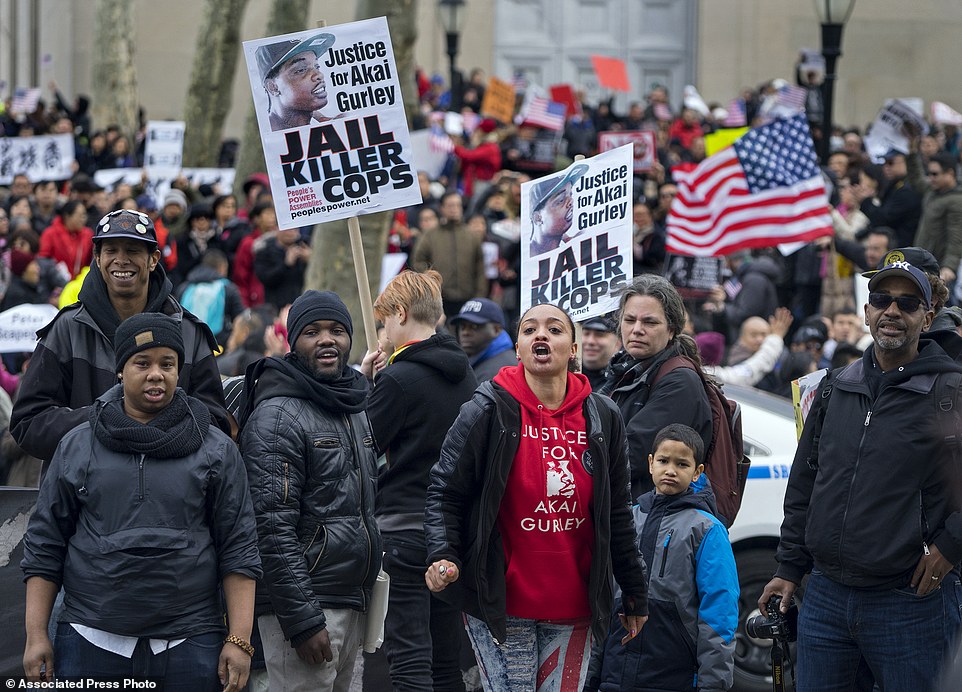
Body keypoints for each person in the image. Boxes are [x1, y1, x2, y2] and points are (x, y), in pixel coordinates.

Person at [20, 313, 261, 689]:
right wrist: (37, 635)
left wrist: (239, 640)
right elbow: (45, 544)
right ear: (120, 370)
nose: (156, 374)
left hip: (191, 642)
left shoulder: (215, 449)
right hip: (89, 639)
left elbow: (239, 546)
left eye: (168, 364)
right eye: (142, 363)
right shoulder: (78, 445)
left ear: (180, 371)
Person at [758, 259, 962, 690]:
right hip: (826, 600)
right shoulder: (833, 386)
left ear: (927, 318)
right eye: (881, 299)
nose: (892, 310)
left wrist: (949, 547)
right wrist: (790, 566)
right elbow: (805, 484)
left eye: (907, 303)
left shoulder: (951, 391)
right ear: (866, 311)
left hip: (910, 602)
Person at [424, 302, 649, 691]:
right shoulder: (487, 408)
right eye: (529, 330)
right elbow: (445, 490)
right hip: (500, 600)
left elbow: (617, 513)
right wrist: (442, 553)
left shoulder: (603, 416)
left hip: (575, 603)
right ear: (518, 348)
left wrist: (634, 591)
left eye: (555, 329)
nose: (540, 335)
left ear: (573, 348)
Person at [10, 209, 230, 472]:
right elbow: (28, 424)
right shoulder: (67, 329)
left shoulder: (190, 333)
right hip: (81, 501)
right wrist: (103, 421)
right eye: (111, 250)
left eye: (133, 251)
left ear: (153, 259)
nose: (121, 260)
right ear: (97, 258)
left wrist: (153, 431)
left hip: (171, 503)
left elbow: (215, 422)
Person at [240, 290, 382, 692]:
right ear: (292, 341)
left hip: (351, 600)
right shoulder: (278, 414)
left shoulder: (351, 405)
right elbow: (269, 528)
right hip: (307, 610)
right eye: (312, 331)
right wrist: (302, 620)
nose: (327, 339)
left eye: (337, 330)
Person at [360, 270, 478, 691]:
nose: (382, 331)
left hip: (403, 531)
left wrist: (365, 385)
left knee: (408, 659)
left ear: (401, 314)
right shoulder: (466, 375)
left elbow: (362, 446)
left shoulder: (398, 378)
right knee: (446, 662)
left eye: (383, 321)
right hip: (452, 533)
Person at [587, 423, 739, 692]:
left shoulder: (706, 529)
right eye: (663, 461)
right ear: (650, 463)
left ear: (697, 472)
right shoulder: (628, 518)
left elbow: (719, 609)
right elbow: (604, 595)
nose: (670, 470)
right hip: (616, 669)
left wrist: (712, 684)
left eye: (682, 464)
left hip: (673, 674)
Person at [602, 275, 712, 498]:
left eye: (650, 322)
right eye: (629, 320)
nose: (637, 329)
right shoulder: (626, 370)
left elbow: (631, 455)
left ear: (671, 329)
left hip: (654, 519)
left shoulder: (680, 382)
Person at [412, 192, 487, 321]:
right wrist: (433, 284)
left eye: (458, 205)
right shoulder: (430, 235)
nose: (454, 209)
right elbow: (418, 262)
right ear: (442, 208)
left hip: (467, 298)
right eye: (450, 205)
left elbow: (480, 268)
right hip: (439, 298)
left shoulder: (471, 235)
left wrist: (479, 296)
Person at [255, 32, 336, 132]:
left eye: (316, 66)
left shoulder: (322, 125)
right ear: (273, 87)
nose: (319, 75)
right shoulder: (267, 140)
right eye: (301, 69)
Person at [527, 164, 588, 257]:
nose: (571, 202)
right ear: (537, 217)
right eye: (561, 200)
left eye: (570, 195)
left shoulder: (574, 247)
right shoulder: (523, 258)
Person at [450, 297, 516, 382]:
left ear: (496, 330)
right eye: (462, 327)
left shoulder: (500, 370)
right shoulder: (479, 357)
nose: (465, 332)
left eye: (474, 326)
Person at [38, 200, 93, 280]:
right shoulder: (50, 234)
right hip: (55, 284)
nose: (83, 219)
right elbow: (43, 260)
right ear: (67, 216)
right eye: (80, 216)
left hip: (79, 285)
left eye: (84, 215)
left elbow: (90, 263)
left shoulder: (88, 235)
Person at [580, 315, 620, 391]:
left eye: (599, 335)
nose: (590, 341)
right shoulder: (565, 377)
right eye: (586, 333)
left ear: (618, 343)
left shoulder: (624, 380)